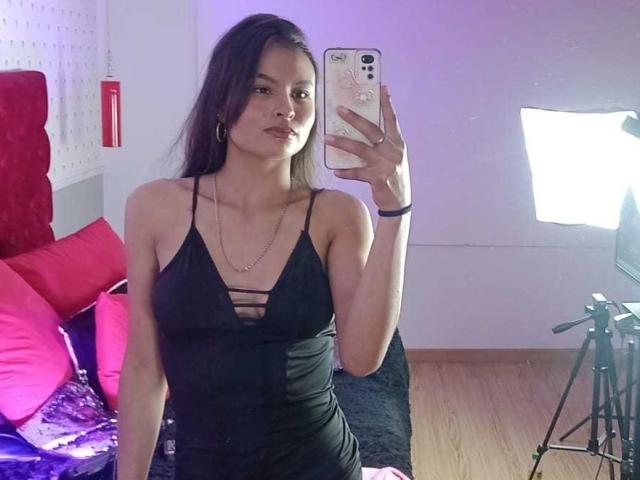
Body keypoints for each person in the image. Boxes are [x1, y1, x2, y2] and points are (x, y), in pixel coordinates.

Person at [116, 12, 412, 480]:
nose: (286, 109)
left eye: (301, 94)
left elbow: (361, 358)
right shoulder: (154, 208)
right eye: (262, 89)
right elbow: (143, 365)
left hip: (319, 467)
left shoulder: (338, 215)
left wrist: (396, 211)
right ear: (221, 102)